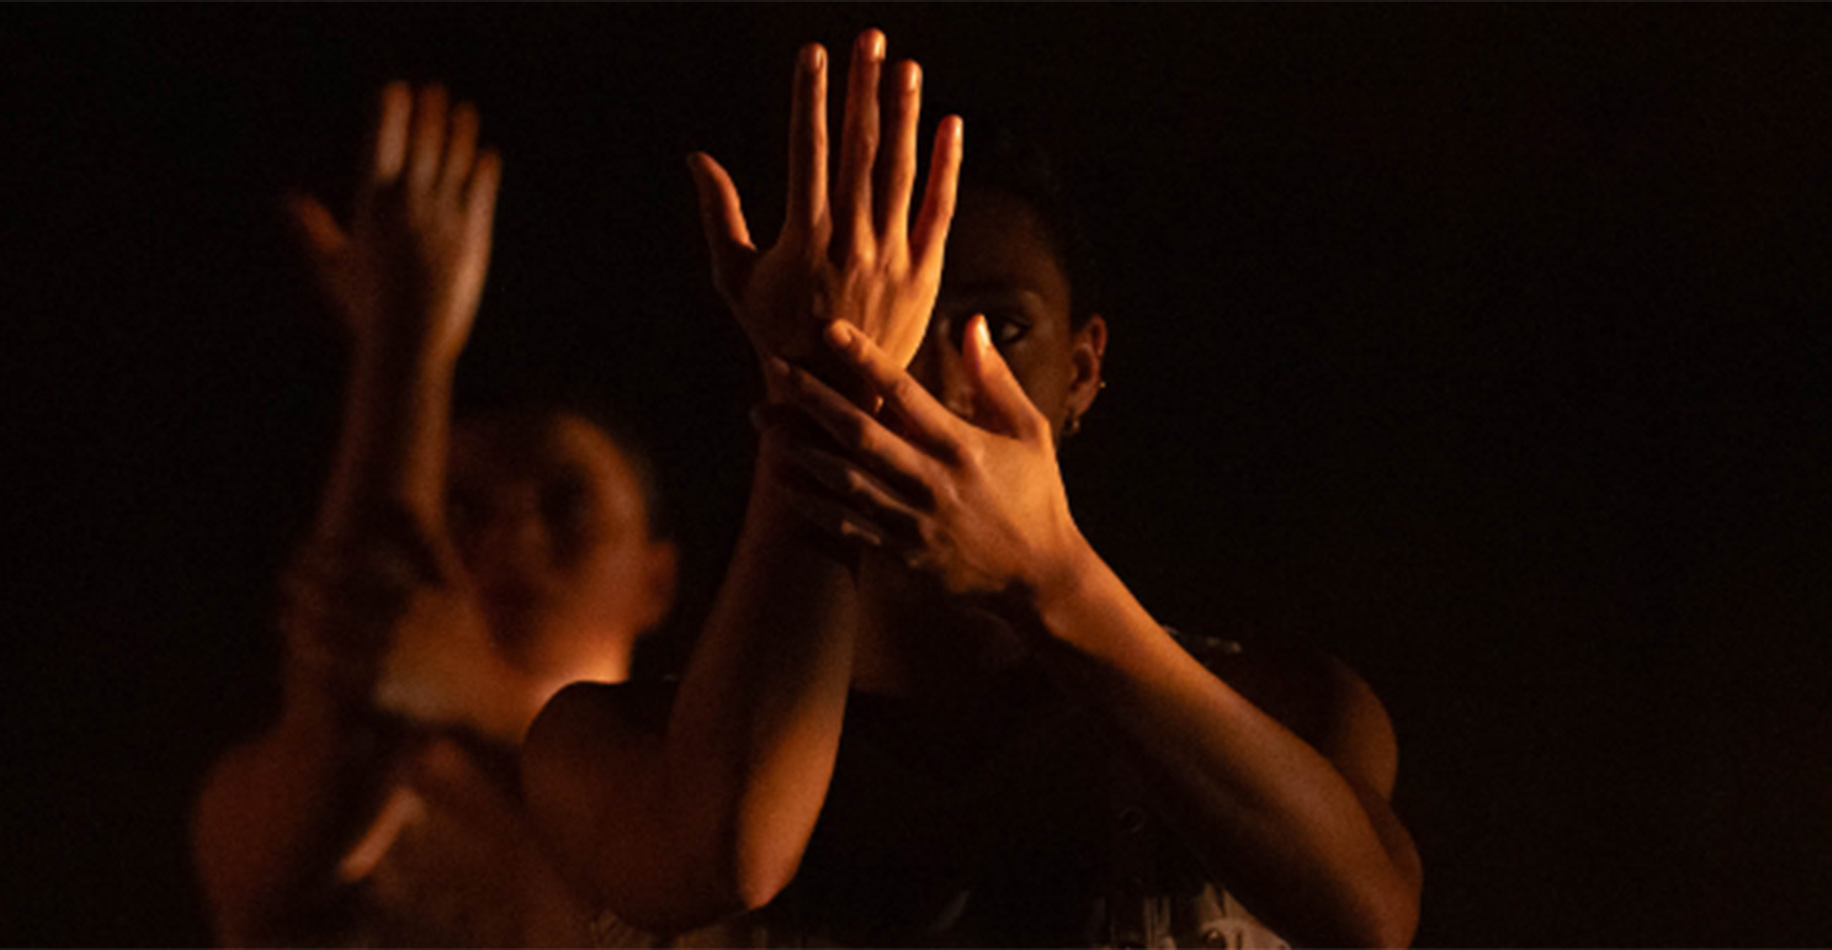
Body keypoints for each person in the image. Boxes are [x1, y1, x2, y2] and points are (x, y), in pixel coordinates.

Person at [523, 30, 1422, 949]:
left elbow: (1369, 915)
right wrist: (826, 387)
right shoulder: (615, 743)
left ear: (1082, 370)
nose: (938, 379)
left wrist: (1052, 580)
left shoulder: (1283, 706)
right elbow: (727, 855)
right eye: (891, 326)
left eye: (999, 324)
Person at [191, 82, 677, 947]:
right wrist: (404, 339)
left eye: (567, 505)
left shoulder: (706, 803)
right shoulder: (340, 800)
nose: (511, 537)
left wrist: (480, 693)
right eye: (461, 507)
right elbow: (358, 681)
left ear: (658, 579)